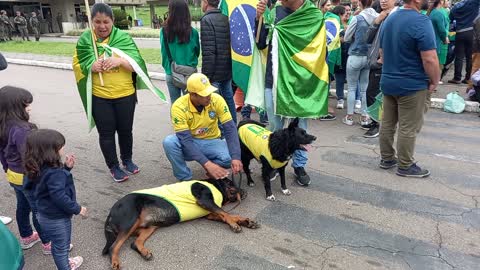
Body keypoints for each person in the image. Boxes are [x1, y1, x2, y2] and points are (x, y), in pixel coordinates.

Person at [73, 3, 157, 182]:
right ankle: (113, 167)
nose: (102, 26)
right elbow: (78, 65)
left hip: (125, 95)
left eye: (106, 22)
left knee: (126, 131)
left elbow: (138, 66)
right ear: (91, 21)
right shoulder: (86, 41)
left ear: (113, 21)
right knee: (106, 134)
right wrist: (91, 67)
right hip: (100, 97)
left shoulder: (123, 38)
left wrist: (119, 62)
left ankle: (127, 160)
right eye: (97, 22)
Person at [256, 0, 326, 186]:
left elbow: (320, 52)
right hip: (275, 81)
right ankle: (274, 163)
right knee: (275, 129)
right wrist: (259, 18)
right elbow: (260, 43)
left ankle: (299, 166)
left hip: (300, 84)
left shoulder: (313, 15)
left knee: (301, 129)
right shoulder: (274, 12)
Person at [378, 0, 440, 177]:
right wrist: (435, 80)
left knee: (388, 124)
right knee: (408, 127)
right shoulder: (421, 21)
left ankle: (387, 158)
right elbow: (430, 59)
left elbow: (382, 51)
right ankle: (405, 165)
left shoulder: (390, 18)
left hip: (389, 81)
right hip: (411, 84)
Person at [24, 129, 86, 270]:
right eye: (60, 146)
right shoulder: (54, 172)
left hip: (43, 213)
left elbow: (46, 185)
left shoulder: (36, 165)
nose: (63, 148)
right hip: (56, 218)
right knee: (61, 247)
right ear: (50, 151)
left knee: (58, 245)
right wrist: (78, 209)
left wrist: (66, 168)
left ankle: (63, 262)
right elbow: (59, 196)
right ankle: (65, 267)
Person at [0, 86, 52, 254]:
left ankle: (27, 236)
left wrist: (7, 168)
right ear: (15, 108)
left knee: (23, 205)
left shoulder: (3, 124)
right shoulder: (22, 129)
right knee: (39, 210)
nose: (29, 108)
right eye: (25, 105)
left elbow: (2, 154)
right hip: (28, 176)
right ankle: (48, 243)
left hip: (13, 174)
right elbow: (29, 158)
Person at [162, 73, 242, 181]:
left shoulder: (217, 99)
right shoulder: (178, 107)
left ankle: (213, 169)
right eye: (204, 94)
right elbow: (185, 140)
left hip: (212, 140)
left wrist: (236, 157)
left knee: (229, 158)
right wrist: (207, 164)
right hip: (191, 141)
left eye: (209, 92)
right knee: (169, 142)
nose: (209, 96)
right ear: (192, 94)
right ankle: (185, 179)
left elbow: (230, 128)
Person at [362, 0, 398, 138]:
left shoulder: (396, 17)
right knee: (372, 93)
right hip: (374, 62)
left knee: (374, 94)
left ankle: (378, 125)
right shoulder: (381, 16)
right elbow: (367, 38)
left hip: (384, 63)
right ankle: (375, 121)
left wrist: (385, 58)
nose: (383, 1)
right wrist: (377, 21)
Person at [343, 0, 378, 126]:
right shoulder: (378, 18)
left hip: (355, 55)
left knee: (352, 88)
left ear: (359, 2)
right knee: (364, 89)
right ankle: (364, 117)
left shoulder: (357, 18)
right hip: (369, 56)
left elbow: (346, 38)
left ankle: (349, 117)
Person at [201, 0, 236, 123]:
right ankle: (232, 126)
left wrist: (206, 77)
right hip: (227, 69)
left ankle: (220, 131)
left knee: (215, 103)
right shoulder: (225, 18)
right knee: (229, 99)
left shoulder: (206, 20)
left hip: (214, 72)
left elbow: (209, 52)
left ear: (206, 2)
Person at [161, 0, 200, 104]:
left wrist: (167, 68)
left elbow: (164, 53)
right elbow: (197, 52)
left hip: (171, 71)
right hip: (189, 74)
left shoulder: (164, 31)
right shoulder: (193, 33)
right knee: (191, 105)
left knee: (175, 105)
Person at [448, 0, 480, 84]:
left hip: (460, 32)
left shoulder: (456, 6)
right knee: (469, 56)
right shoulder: (474, 3)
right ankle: (468, 78)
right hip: (471, 32)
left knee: (459, 56)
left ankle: (457, 78)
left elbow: (450, 18)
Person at [428, 0, 449, 85]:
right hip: (437, 43)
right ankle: (434, 82)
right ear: (441, 1)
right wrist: (445, 38)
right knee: (436, 64)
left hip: (430, 42)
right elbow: (442, 30)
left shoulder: (431, 12)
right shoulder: (438, 13)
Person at [332, 5, 349, 110]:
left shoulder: (350, 23)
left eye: (348, 11)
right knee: (339, 79)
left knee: (350, 80)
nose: (347, 13)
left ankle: (354, 100)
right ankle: (340, 99)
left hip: (347, 55)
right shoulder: (335, 25)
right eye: (345, 12)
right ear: (339, 15)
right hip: (340, 55)